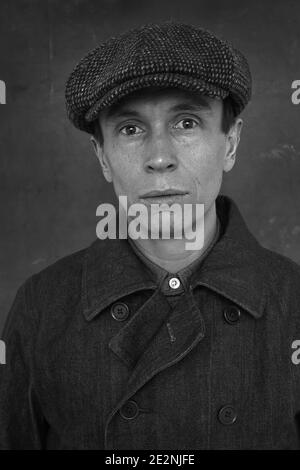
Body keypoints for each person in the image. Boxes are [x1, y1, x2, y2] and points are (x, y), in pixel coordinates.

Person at [1, 20, 300, 450]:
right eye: (130, 129)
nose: (159, 158)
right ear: (102, 157)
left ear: (230, 143)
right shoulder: (41, 307)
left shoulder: (293, 302)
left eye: (186, 122)